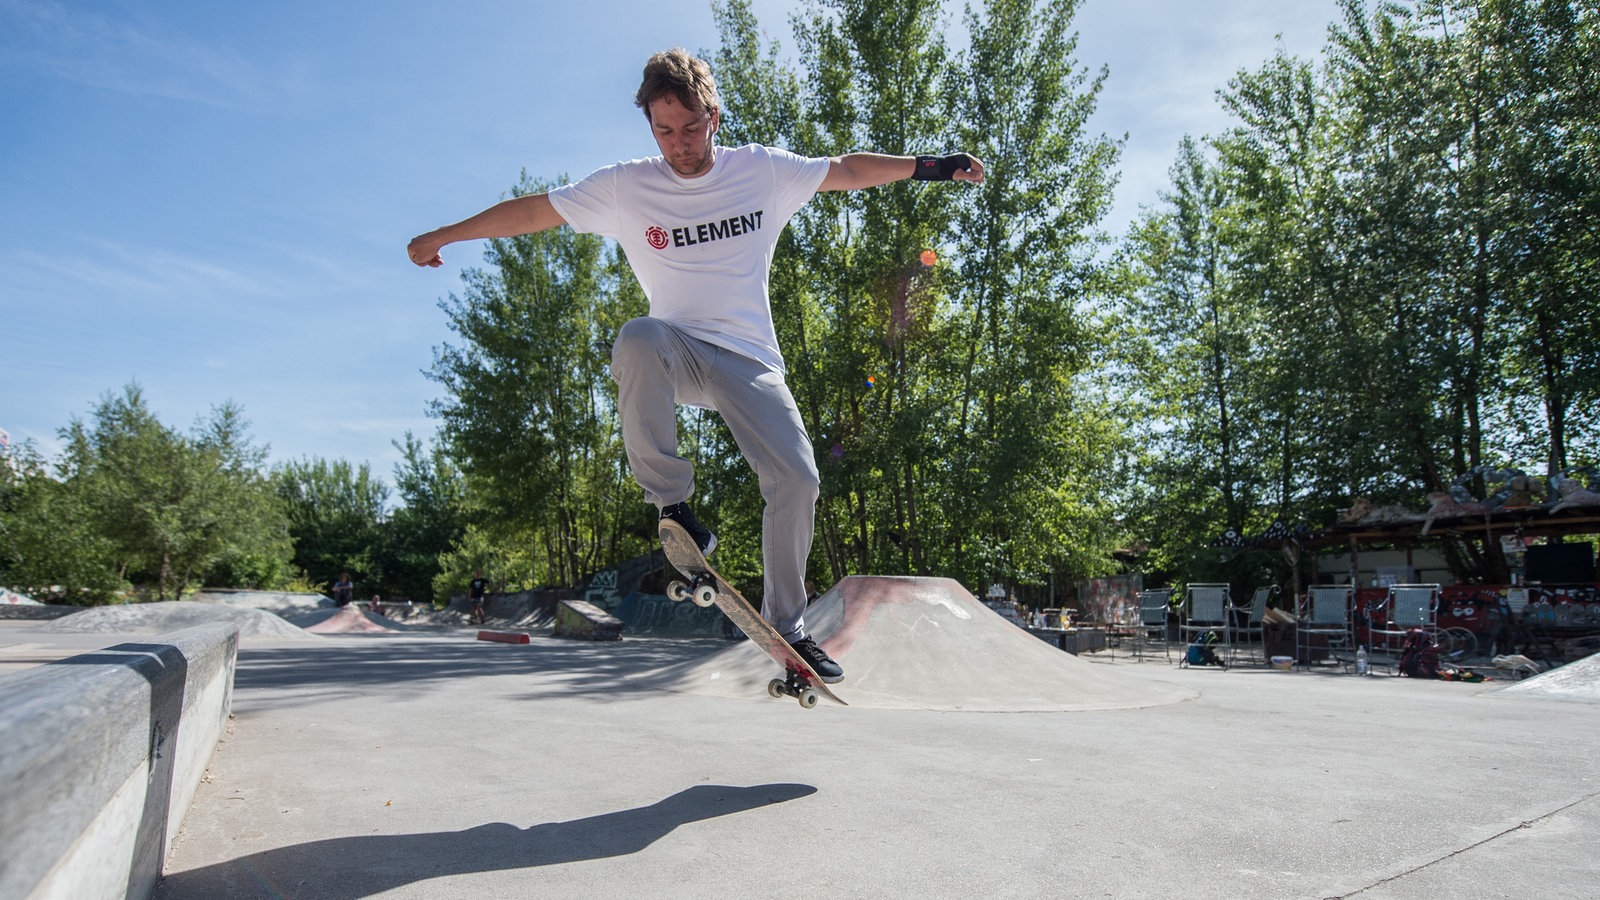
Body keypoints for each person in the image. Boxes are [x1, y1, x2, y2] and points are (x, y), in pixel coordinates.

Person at [409, 48, 985, 683]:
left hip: (749, 361)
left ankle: (788, 630)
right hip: (674, 352)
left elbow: (845, 170)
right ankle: (674, 510)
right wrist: (444, 235)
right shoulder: (628, 186)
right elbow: (534, 212)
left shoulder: (761, 171)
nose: (677, 146)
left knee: (798, 480)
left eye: (689, 128)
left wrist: (930, 167)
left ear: (714, 117)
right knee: (634, 336)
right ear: (649, 128)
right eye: (663, 132)